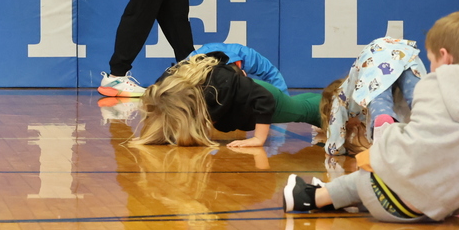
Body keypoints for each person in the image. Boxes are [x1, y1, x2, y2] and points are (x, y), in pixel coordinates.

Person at [284, 11, 459, 222]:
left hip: (396, 206)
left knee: (365, 175)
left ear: (445, 56)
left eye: (431, 61)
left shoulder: (433, 86)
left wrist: (379, 150)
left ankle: (310, 197)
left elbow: (413, 144)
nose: (431, 68)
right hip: (442, 208)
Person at [131, 52, 322, 148]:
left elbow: (264, 99)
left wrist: (258, 138)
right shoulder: (166, 88)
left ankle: (334, 105)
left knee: (302, 110)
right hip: (242, 98)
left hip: (262, 98)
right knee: (302, 106)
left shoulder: (216, 89)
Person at [319, 37, 426, 156]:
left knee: (379, 99)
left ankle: (383, 122)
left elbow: (335, 143)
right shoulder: (389, 101)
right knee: (420, 100)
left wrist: (336, 147)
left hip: (376, 54)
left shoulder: (339, 96)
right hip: (406, 53)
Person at [190, 42, 289, 94]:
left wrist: (284, 103)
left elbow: (272, 73)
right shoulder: (193, 62)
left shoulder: (247, 56)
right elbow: (178, 81)